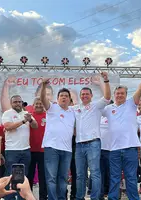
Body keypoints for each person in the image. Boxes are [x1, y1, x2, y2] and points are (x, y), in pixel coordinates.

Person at [102, 65, 141, 200]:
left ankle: (134, 198)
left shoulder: (131, 104)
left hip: (130, 148)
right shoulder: (108, 109)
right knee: (114, 178)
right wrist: (105, 81)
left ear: (126, 94)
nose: (119, 95)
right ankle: (113, 198)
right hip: (114, 149)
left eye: (122, 93)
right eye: (117, 93)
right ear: (114, 95)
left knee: (131, 178)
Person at [72, 72, 111, 200]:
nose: (84, 96)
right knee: (79, 175)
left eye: (87, 94)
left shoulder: (96, 106)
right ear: (80, 96)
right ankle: (79, 197)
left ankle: (95, 198)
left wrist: (105, 81)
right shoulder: (75, 108)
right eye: (82, 94)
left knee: (95, 173)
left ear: (91, 96)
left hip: (93, 143)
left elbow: (107, 97)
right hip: (79, 145)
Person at [40, 79, 75, 200]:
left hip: (67, 150)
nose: (64, 98)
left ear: (70, 99)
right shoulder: (52, 108)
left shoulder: (73, 111)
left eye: (66, 96)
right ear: (57, 98)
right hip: (52, 148)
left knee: (63, 177)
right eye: (61, 96)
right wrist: (44, 86)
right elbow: (43, 99)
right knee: (51, 177)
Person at [2, 95, 38, 200]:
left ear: (22, 103)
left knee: (23, 177)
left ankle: (21, 198)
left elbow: (35, 126)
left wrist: (30, 120)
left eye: (19, 102)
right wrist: (23, 121)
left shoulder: (26, 113)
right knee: (11, 176)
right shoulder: (7, 113)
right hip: (12, 150)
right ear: (11, 103)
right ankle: (10, 198)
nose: (17, 104)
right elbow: (8, 127)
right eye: (15, 102)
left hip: (25, 149)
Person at [27, 97, 47, 200]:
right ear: (33, 105)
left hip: (44, 151)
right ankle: (29, 197)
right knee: (29, 176)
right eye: (37, 104)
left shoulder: (48, 115)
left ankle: (43, 197)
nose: (39, 105)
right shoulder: (29, 116)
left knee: (43, 177)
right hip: (30, 150)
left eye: (41, 104)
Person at [99, 100, 113, 200]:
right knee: (100, 173)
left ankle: (110, 193)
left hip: (112, 149)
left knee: (111, 173)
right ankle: (101, 194)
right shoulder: (98, 117)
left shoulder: (115, 117)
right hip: (99, 149)